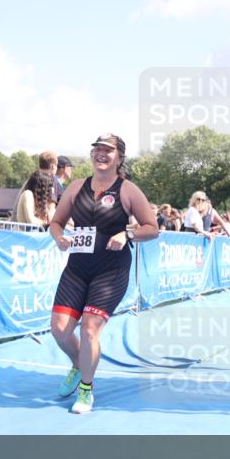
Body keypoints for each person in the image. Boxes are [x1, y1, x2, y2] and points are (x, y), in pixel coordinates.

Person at [48, 133, 158, 414]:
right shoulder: (76, 186)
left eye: (108, 150)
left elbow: (152, 228)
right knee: (60, 330)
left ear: (119, 158)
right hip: (77, 268)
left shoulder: (128, 190)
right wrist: (59, 237)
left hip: (111, 270)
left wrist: (126, 233)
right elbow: (56, 222)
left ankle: (86, 388)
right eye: (97, 149)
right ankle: (78, 363)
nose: (101, 154)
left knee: (89, 329)